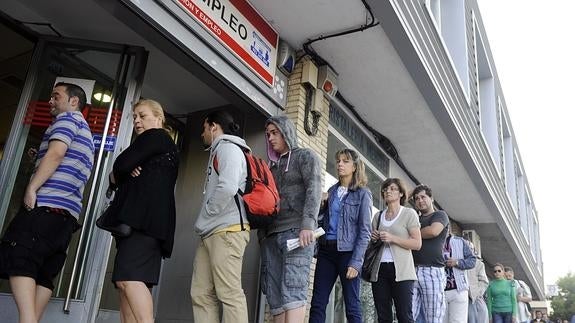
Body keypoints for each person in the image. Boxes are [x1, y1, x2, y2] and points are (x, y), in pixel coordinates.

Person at [0, 82, 94, 323]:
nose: (50, 101)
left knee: (19, 258)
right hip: (66, 216)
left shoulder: (67, 119)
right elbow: (64, 161)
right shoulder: (86, 133)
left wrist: (32, 187)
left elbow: (56, 154)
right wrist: (39, 157)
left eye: (56, 96)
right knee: (43, 271)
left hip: (46, 207)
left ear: (74, 102)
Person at [109, 99, 179, 323]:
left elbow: (120, 165)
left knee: (129, 279)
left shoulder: (155, 137)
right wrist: (126, 170)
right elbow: (121, 170)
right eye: (135, 117)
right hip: (151, 225)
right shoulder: (162, 145)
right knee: (125, 282)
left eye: (143, 115)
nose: (137, 121)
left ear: (158, 118)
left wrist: (124, 169)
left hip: (143, 223)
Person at [190, 110, 250, 323]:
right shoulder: (219, 150)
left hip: (227, 231)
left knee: (229, 294)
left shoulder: (228, 148)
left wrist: (207, 212)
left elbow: (228, 187)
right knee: (201, 293)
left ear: (214, 126)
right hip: (212, 232)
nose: (202, 134)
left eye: (204, 129)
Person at [261, 115, 322, 323]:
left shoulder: (305, 156)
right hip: (271, 236)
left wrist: (308, 225)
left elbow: (314, 190)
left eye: (274, 132)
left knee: (293, 294)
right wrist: (262, 236)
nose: (270, 138)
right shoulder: (271, 168)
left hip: (296, 233)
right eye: (268, 134)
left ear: (286, 132)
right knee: (275, 298)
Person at [309, 148, 372, 323]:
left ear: (354, 167)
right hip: (326, 251)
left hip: (348, 253)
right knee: (317, 303)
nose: (340, 164)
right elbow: (321, 222)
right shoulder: (331, 191)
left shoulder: (363, 193)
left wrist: (356, 261)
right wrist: (321, 205)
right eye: (338, 161)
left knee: (352, 306)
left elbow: (365, 231)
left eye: (345, 161)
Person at [367, 178, 421, 323]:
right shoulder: (378, 216)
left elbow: (417, 243)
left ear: (401, 194)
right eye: (385, 189)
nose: (388, 192)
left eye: (392, 189)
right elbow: (373, 244)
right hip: (379, 271)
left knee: (404, 316)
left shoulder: (409, 214)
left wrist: (392, 238)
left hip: (402, 272)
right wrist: (374, 238)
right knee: (383, 316)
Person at [411, 184, 450, 323]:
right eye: (416, 199)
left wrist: (412, 235)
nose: (420, 201)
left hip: (432, 271)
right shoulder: (414, 218)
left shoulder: (440, 215)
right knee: (407, 315)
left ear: (431, 198)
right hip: (411, 271)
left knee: (433, 318)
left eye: (423, 197)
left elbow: (433, 231)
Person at [442, 232, 476, 323]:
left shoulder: (460, 241)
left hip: (458, 289)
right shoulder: (433, 241)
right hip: (439, 290)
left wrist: (457, 262)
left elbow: (472, 261)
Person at [467, 242, 489, 323]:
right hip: (461, 297)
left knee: (481, 316)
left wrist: (477, 293)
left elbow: (484, 281)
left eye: (471, 249)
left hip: (476, 298)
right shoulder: (458, 262)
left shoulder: (479, 264)